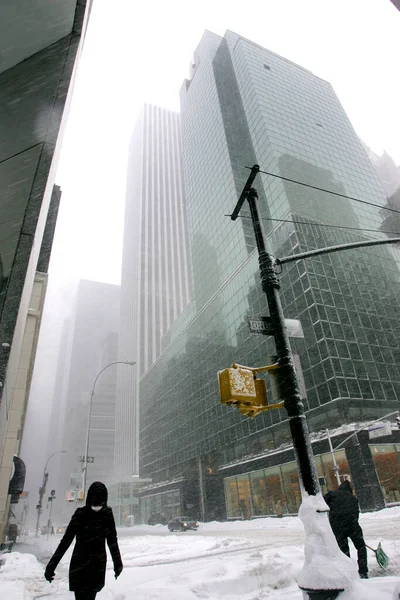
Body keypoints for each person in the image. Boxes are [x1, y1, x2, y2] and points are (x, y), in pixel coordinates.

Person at [44, 481, 123, 599]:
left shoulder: (104, 514)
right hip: (83, 567)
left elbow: (112, 541)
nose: (97, 509)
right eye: (94, 505)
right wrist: (51, 566)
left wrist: (118, 564)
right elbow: (66, 541)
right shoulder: (82, 514)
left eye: (99, 506)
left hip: (92, 566)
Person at [324, 479, 368, 579]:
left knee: (343, 550)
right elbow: (356, 513)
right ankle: (363, 572)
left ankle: (348, 573)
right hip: (353, 525)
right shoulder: (353, 498)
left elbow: (321, 503)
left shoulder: (332, 494)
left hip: (338, 527)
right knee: (361, 547)